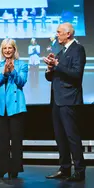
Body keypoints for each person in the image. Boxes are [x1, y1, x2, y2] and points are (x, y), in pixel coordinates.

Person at [44, 22, 86, 182]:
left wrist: (57, 65)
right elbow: (51, 77)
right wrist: (50, 68)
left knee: (71, 136)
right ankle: (65, 168)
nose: (56, 35)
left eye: (59, 32)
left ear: (68, 34)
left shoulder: (78, 49)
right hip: (57, 100)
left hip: (69, 99)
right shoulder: (61, 52)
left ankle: (80, 170)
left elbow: (76, 74)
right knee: (60, 136)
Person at [0, 38, 28, 179]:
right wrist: (4, 73)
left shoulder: (22, 65)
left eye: (10, 48)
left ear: (14, 49)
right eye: (5, 48)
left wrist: (12, 71)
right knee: (1, 140)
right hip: (1, 107)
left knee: (16, 140)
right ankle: (1, 168)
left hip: (16, 106)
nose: (7, 50)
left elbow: (21, 82)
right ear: (2, 50)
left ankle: (15, 169)